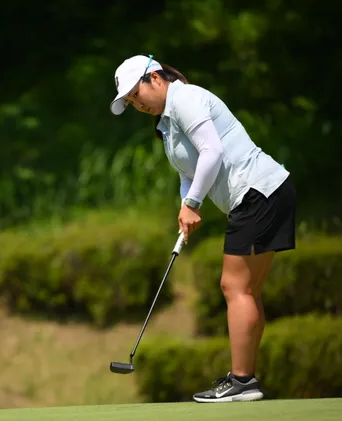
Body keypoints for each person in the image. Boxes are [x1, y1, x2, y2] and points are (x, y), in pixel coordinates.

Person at [109, 54, 296, 403]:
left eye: (137, 94)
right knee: (247, 290)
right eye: (131, 102)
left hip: (257, 192)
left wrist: (194, 203)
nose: (137, 104)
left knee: (235, 286)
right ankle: (246, 379)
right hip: (264, 193)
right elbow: (189, 172)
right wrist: (186, 205)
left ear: (155, 78)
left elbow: (212, 151)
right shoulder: (167, 123)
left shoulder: (186, 99)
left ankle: (242, 381)